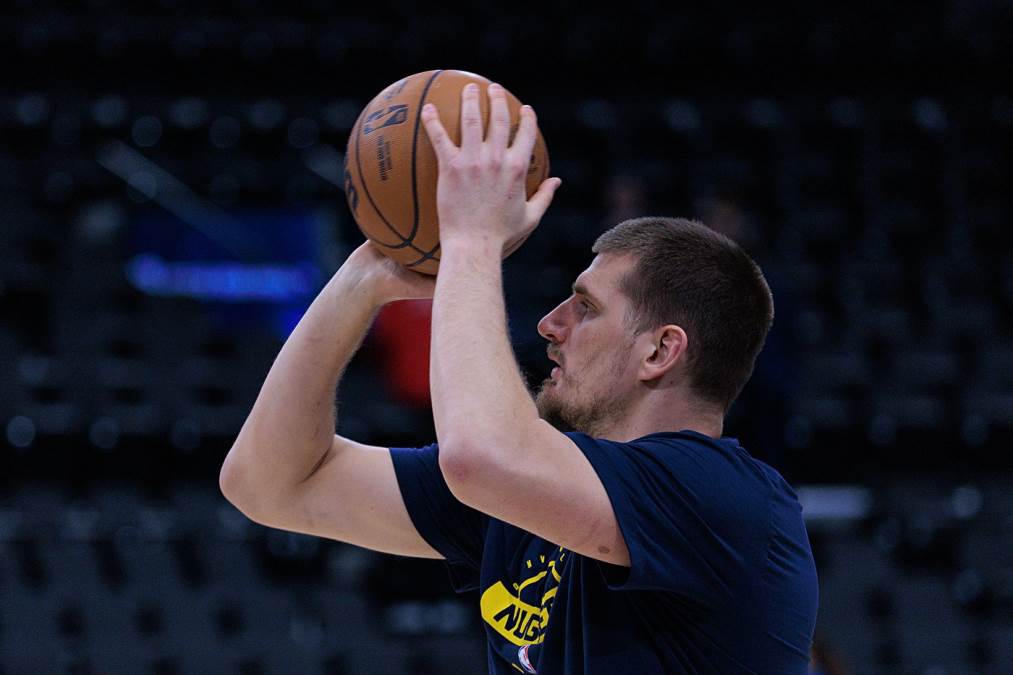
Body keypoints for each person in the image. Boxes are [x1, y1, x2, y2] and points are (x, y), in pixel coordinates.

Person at [220, 82, 819, 674]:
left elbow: (480, 457)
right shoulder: (523, 499)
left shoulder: (726, 499)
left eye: (586, 307)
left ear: (660, 351)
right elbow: (269, 484)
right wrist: (361, 281)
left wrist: (473, 239)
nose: (550, 324)